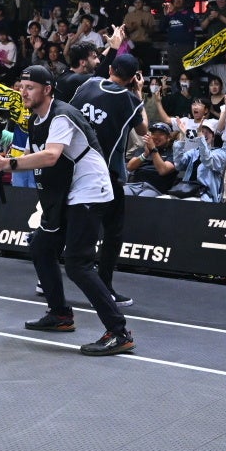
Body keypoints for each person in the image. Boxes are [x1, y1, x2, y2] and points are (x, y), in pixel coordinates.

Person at [0, 65, 133, 357]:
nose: (23, 92)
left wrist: (8, 165)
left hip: (90, 188)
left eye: (30, 87)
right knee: (42, 246)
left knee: (78, 263)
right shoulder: (35, 119)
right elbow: (37, 156)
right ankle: (60, 314)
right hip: (68, 190)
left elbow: (51, 156)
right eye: (21, 86)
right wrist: (3, 159)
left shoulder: (62, 114)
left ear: (47, 89)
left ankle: (119, 333)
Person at [71, 51, 147, 305]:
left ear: (111, 68)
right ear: (134, 78)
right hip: (105, 174)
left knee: (64, 223)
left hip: (70, 165)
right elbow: (143, 129)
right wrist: (139, 94)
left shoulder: (89, 84)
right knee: (113, 231)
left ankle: (45, 278)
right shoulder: (129, 100)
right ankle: (104, 287)